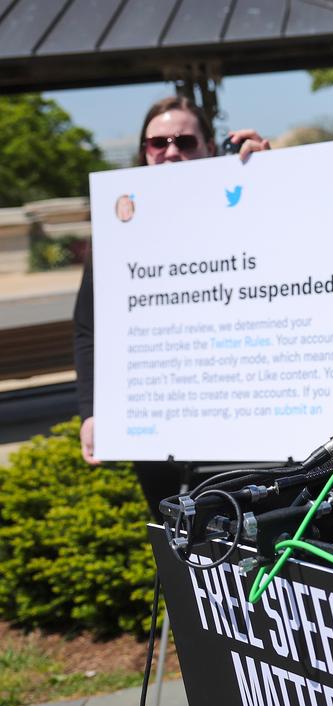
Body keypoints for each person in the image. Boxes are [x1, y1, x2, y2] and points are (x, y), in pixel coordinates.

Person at [73, 95, 270, 518]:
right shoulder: (116, 229)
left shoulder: (252, 204)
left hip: (245, 422)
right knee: (180, 557)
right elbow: (89, 328)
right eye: (157, 143)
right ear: (144, 152)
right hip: (158, 428)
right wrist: (92, 412)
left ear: (211, 148)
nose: (171, 152)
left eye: (185, 140)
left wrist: (272, 177)